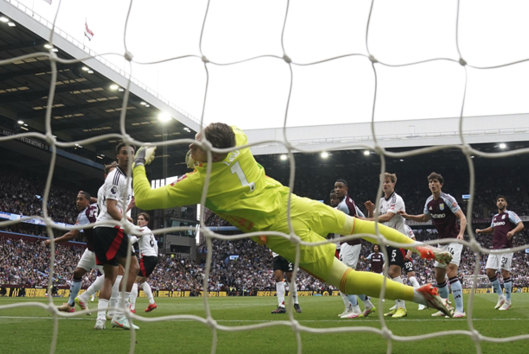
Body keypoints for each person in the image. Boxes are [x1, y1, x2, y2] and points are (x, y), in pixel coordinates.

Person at [131, 123, 453, 316]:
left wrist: (139, 163)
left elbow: (144, 197)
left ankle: (418, 294)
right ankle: (422, 248)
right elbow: (226, 133)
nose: (191, 146)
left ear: (213, 155)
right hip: (296, 204)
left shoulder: (200, 182)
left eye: (197, 145)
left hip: (284, 231)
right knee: (361, 226)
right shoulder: (239, 141)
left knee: (346, 279)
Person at [399, 172, 469, 318]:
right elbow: (425, 218)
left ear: (440, 184)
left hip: (454, 239)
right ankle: (445, 307)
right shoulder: (429, 202)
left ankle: (460, 310)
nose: (432, 184)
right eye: (430, 182)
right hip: (440, 242)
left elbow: (462, 216)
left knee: (451, 270)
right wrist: (408, 216)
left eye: (435, 181)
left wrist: (461, 233)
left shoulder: (448, 199)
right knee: (439, 276)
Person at [89, 142, 141, 330]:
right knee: (134, 267)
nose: (128, 156)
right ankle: (120, 315)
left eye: (131, 153)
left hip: (103, 228)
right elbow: (111, 209)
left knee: (110, 275)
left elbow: (115, 207)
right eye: (124, 153)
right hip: (110, 228)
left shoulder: (126, 179)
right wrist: (128, 225)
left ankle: (100, 320)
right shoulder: (116, 176)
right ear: (117, 157)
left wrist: (127, 216)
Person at [44, 191, 98, 313]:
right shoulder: (95, 206)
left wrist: (52, 241)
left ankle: (119, 308)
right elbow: (101, 200)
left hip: (101, 251)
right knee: (77, 273)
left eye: (81, 199)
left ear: (87, 201)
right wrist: (90, 198)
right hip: (91, 249)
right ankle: (70, 304)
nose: (77, 202)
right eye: (77, 199)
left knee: (111, 279)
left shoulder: (84, 215)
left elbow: (72, 235)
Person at [364, 172, 408, 318]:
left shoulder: (397, 199)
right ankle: (397, 305)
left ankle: (402, 307)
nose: (385, 184)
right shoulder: (381, 201)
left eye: (388, 182)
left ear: (393, 184)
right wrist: (370, 210)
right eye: (383, 182)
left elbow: (387, 217)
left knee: (394, 272)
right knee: (390, 274)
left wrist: (367, 220)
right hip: (387, 242)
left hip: (398, 240)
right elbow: (373, 219)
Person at [333, 179, 375, 318]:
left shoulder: (344, 205)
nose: (337, 189)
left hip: (351, 243)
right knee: (350, 278)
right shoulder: (350, 202)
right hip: (349, 243)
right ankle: (367, 305)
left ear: (346, 189)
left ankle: (355, 309)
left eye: (340, 187)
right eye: (335, 187)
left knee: (344, 279)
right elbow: (363, 218)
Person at [476, 195, 524, 310]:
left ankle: (508, 301)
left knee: (504, 272)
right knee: (489, 272)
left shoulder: (510, 214)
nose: (500, 202)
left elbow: (521, 225)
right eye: (498, 201)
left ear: (506, 203)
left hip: (506, 248)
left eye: (502, 200)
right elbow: (492, 229)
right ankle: (500, 297)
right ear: (496, 204)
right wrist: (482, 231)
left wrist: (512, 232)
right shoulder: (495, 217)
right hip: (495, 248)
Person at [128, 212, 159, 313]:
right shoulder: (149, 231)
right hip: (153, 257)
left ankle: (132, 308)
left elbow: (132, 241)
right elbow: (156, 247)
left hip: (147, 258)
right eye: (138, 219)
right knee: (142, 281)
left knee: (134, 281)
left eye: (142, 219)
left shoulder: (141, 230)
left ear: (146, 222)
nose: (139, 221)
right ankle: (151, 302)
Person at [270, 250, 301, 314]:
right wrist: (271, 251)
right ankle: (281, 306)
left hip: (287, 253)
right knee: (278, 277)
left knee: (290, 277)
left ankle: (296, 302)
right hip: (277, 255)